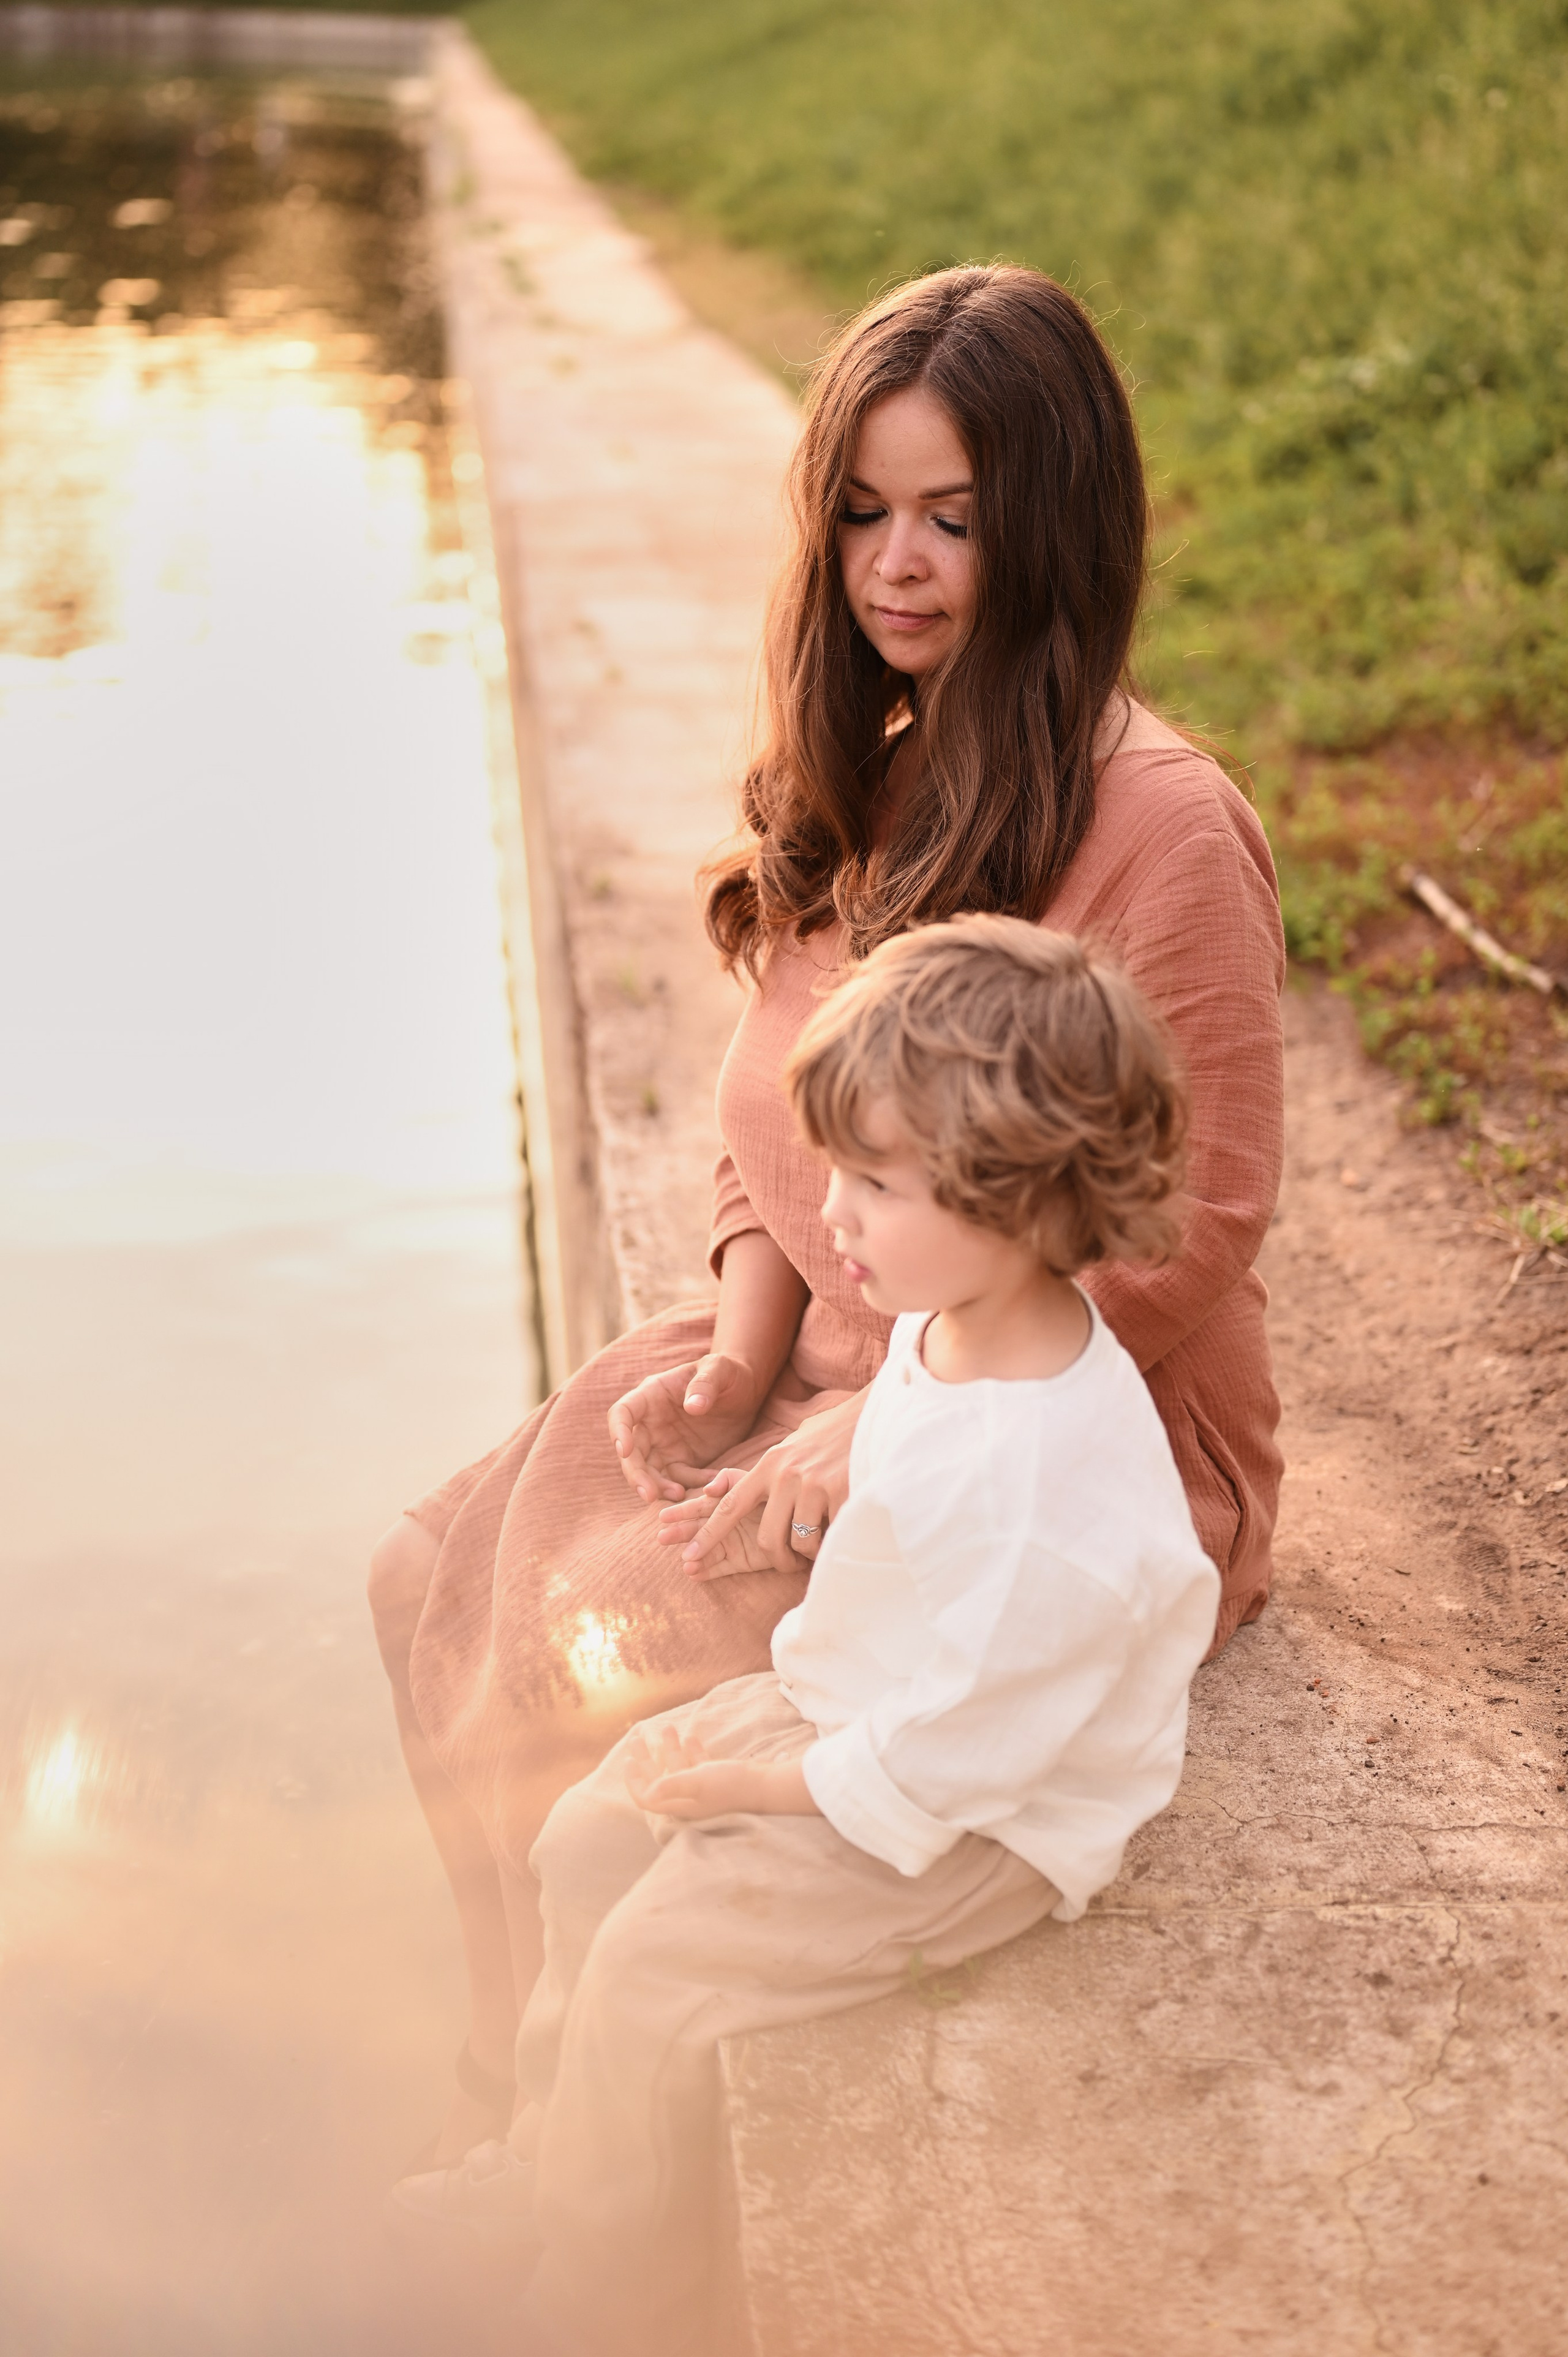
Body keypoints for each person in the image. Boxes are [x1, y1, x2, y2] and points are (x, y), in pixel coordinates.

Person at [367, 263, 1285, 2163]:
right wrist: (740, 1349)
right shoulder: (869, 770)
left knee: (583, 1651)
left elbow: (1191, 1234)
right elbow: (775, 1137)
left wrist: (901, 1404)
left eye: (955, 517)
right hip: (847, 1342)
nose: (902, 566)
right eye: (865, 514)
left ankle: (541, 2113)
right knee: (418, 1585)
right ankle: (491, 2015)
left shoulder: (1166, 826)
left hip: (1039, 1411)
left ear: (1057, 521)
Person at [391, 917, 1223, 2357]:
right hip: (855, 1704)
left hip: (967, 1823)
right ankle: (539, 2161)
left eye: (872, 1183)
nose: (827, 1214)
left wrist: (748, 1788)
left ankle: (597, 2292)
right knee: (587, 1835)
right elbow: (903, 1486)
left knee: (657, 1976)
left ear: (1017, 1198)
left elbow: (959, 1755)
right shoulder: (956, 1314)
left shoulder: (1046, 1495)